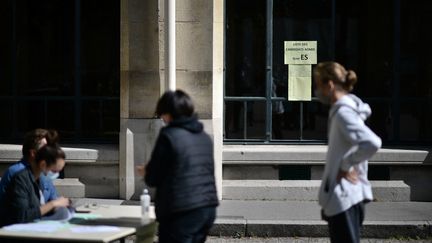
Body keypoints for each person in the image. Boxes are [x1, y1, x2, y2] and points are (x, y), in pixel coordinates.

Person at [138, 90, 219, 243]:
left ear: (169, 113)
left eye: (162, 114)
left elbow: (153, 178)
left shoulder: (169, 135)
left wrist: (145, 171)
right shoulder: (203, 136)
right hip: (207, 207)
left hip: (181, 210)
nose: (162, 118)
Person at [314, 62, 382, 243]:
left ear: (329, 85)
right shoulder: (345, 110)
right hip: (347, 195)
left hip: (345, 197)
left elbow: (372, 142)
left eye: (318, 84)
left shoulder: (343, 113)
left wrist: (345, 165)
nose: (316, 90)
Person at [0, 144, 70, 227]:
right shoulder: (21, 179)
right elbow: (22, 216)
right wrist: (53, 204)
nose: (57, 175)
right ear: (43, 165)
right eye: (54, 171)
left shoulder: (39, 179)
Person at [0, 129, 60, 204]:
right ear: (33, 153)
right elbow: (23, 212)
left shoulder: (43, 174)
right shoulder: (17, 174)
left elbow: (54, 199)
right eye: (46, 149)